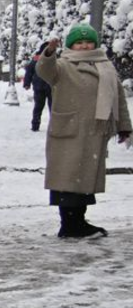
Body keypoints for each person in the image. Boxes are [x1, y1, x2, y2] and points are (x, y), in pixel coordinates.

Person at [34, 24, 133, 238]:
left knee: (84, 181)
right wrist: (49, 53)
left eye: (88, 42)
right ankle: (69, 224)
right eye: (79, 42)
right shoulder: (63, 65)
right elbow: (44, 70)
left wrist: (124, 126)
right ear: (71, 45)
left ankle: (78, 221)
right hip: (69, 131)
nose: (84, 45)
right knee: (68, 180)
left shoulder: (106, 67)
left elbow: (119, 99)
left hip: (94, 132)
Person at [22, 50, 52, 130]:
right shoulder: (52, 60)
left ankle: (35, 125)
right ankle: (54, 126)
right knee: (52, 108)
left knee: (38, 107)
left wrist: (27, 84)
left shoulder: (35, 60)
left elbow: (29, 73)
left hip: (39, 87)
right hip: (50, 87)